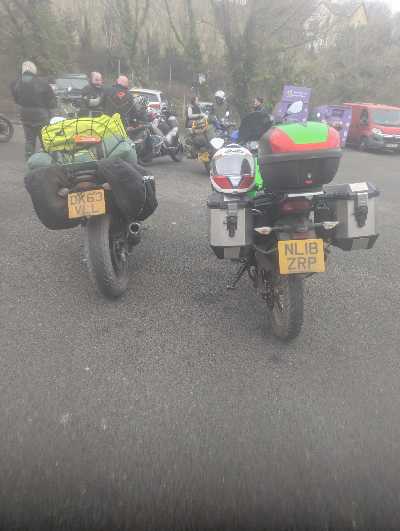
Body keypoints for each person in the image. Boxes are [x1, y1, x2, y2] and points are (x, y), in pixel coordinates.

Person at [10, 61, 56, 160]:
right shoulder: (42, 83)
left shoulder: (16, 83)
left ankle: (29, 158)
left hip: (24, 113)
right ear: (34, 69)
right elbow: (50, 100)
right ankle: (47, 158)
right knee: (44, 137)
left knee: (29, 138)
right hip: (40, 114)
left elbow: (16, 99)